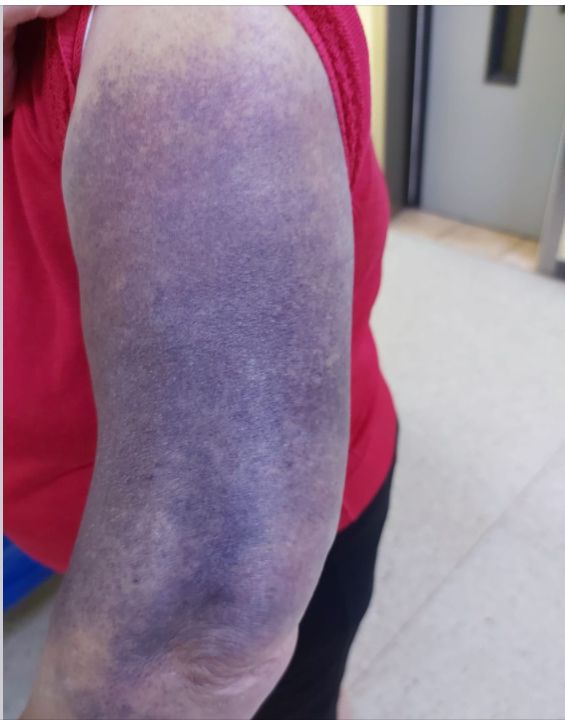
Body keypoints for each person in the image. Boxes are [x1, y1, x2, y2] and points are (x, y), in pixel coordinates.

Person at [4, 6, 397, 719]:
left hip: (310, 534)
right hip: (79, 519)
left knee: (299, 690)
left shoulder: (201, 47)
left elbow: (195, 643)